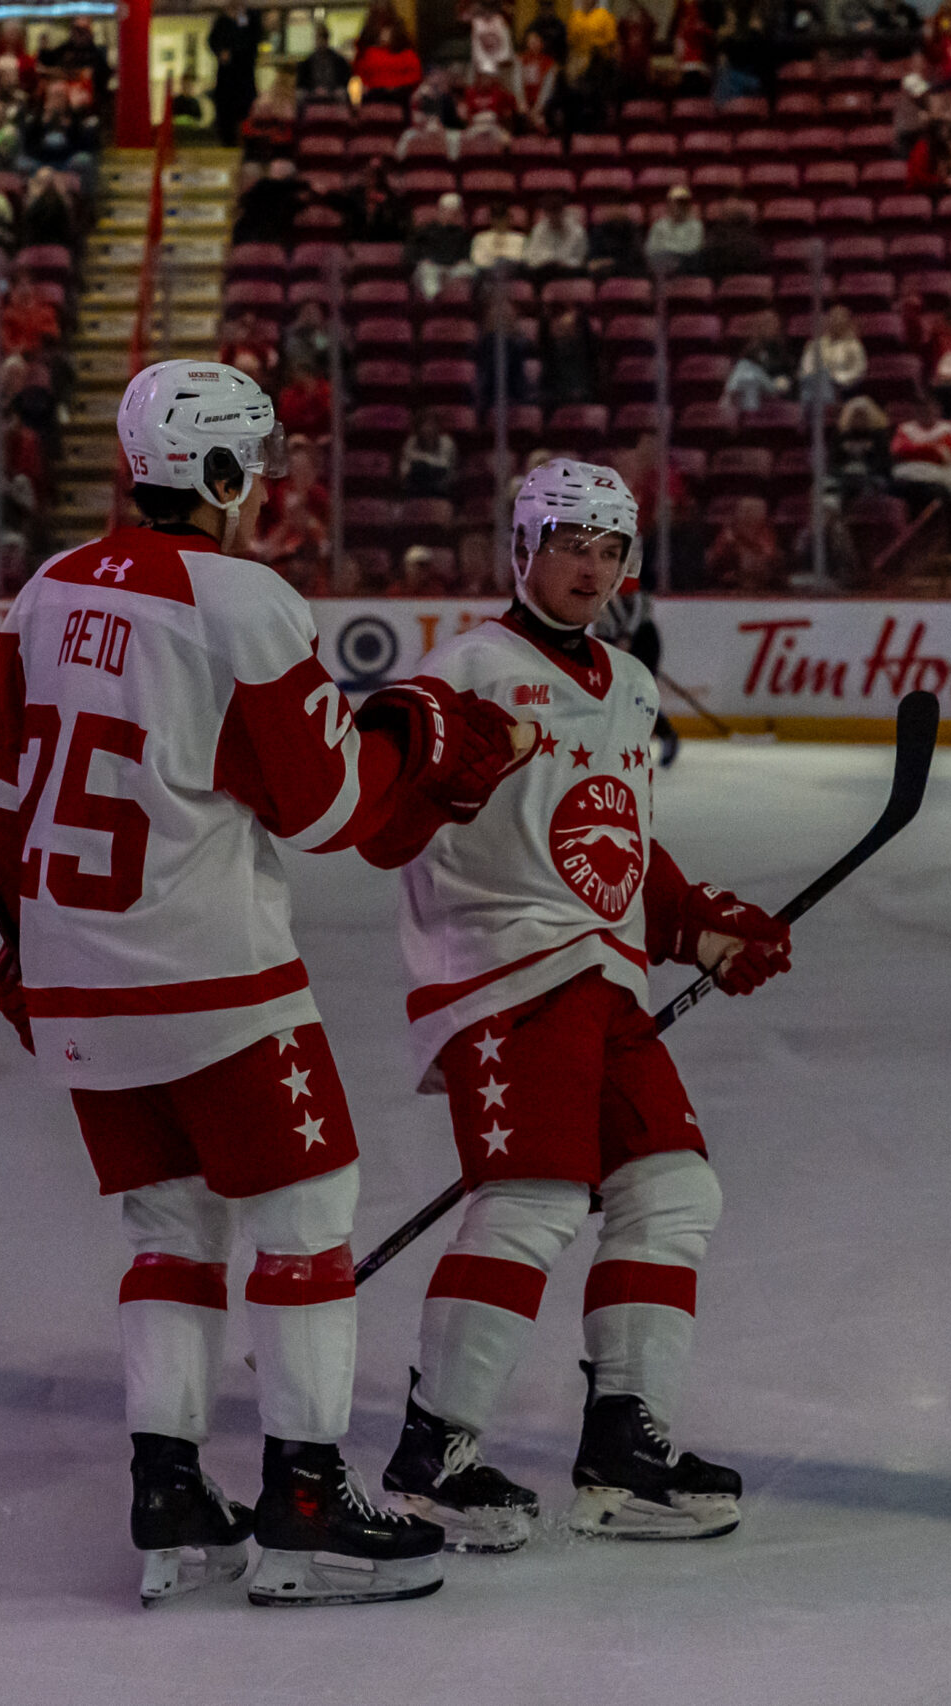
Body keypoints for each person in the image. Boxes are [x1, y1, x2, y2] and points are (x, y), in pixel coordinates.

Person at [0, 360, 534, 1608]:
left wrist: (27, 946)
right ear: (217, 472)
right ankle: (307, 1504)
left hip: (79, 980)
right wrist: (418, 733)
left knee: (167, 1226)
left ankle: (169, 1491)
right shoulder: (243, 599)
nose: (267, 489)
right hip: (213, 979)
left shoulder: (44, 590)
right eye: (256, 467)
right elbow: (327, 808)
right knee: (307, 1210)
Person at [358, 459, 784, 1549]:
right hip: (504, 977)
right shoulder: (466, 671)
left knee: (674, 1190)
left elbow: (617, 839)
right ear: (522, 548)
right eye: (568, 544)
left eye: (610, 549)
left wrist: (697, 926)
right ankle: (434, 1455)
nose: (591, 567)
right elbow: (380, 828)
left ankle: (622, 1454)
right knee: (535, 1197)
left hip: (602, 976)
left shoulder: (628, 681)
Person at [593, 579, 679, 766]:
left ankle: (665, 733)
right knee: (617, 695)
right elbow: (602, 629)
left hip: (644, 642)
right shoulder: (601, 599)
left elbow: (637, 615)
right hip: (614, 642)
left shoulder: (637, 595)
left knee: (638, 695)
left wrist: (627, 639)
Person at [209, 0, 267, 146]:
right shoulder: (223, 20)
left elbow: (251, 38)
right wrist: (220, 51)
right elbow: (213, 40)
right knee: (226, 113)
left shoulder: (247, 17)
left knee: (245, 111)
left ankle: (246, 140)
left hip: (244, 76)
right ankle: (228, 141)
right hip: (227, 78)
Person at [704, 493, 784, 588]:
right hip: (731, 586)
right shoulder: (729, 533)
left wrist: (747, 542)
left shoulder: (766, 532)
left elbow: (771, 556)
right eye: (744, 511)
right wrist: (728, 549)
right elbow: (715, 558)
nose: (749, 516)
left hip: (762, 584)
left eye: (754, 512)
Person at [644, 185, 705, 272]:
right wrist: (675, 249)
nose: (678, 207)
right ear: (668, 205)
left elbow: (693, 248)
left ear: (688, 206)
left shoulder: (696, 226)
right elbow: (650, 248)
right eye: (675, 203)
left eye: (682, 204)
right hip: (662, 263)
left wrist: (666, 247)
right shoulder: (658, 225)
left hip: (686, 265)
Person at [401, 410, 460, 496]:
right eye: (424, 425)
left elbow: (450, 469)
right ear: (418, 428)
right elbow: (404, 471)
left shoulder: (447, 443)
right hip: (416, 488)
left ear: (438, 427)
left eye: (431, 425)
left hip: (441, 489)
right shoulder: (410, 442)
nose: (428, 429)